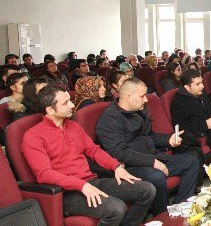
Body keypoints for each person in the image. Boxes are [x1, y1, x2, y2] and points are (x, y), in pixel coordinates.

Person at [21, 84, 156, 226]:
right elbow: (44, 174)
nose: (72, 105)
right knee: (116, 208)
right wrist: (81, 185)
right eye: (66, 103)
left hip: (91, 181)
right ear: (49, 109)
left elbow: (94, 150)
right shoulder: (33, 136)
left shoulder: (73, 126)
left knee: (147, 190)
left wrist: (116, 167)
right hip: (66, 193)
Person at [96, 78, 201, 215]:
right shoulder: (110, 119)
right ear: (128, 97)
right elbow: (119, 153)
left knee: (192, 160)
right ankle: (161, 215)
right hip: (128, 167)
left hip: (150, 157)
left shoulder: (139, 110)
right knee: (156, 176)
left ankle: (181, 206)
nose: (146, 100)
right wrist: (152, 162)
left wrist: (168, 139)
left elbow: (149, 136)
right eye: (142, 96)